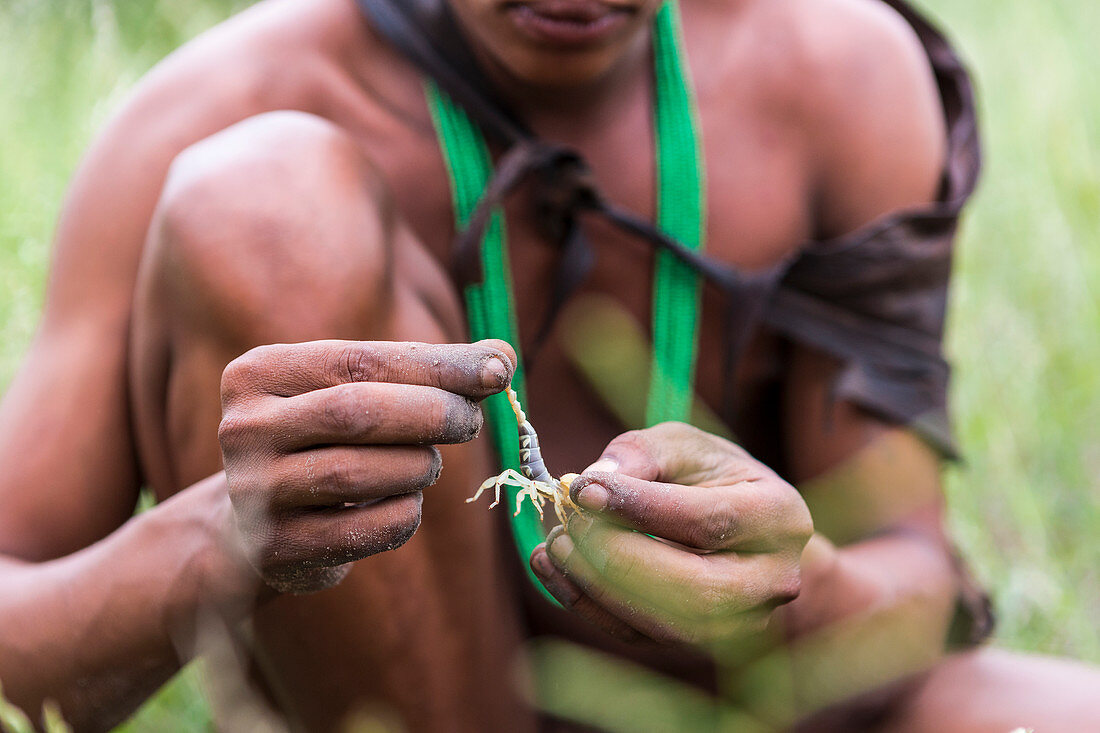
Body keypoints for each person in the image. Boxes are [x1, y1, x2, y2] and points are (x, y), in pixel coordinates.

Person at [0, 0, 1097, 730]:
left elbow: (919, 587)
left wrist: (795, 584)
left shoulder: (829, 68)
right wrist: (219, 534)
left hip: (739, 706)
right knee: (260, 203)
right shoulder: (214, 116)